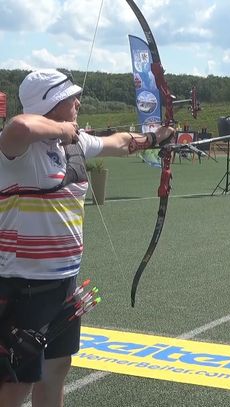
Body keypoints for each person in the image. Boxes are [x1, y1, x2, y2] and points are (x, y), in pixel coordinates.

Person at [0, 69, 174, 406]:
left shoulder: (76, 142)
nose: (78, 102)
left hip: (64, 282)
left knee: (57, 368)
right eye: (70, 98)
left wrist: (155, 138)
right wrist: (64, 130)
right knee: (17, 382)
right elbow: (20, 126)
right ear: (50, 103)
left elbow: (119, 143)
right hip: (23, 285)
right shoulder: (17, 151)